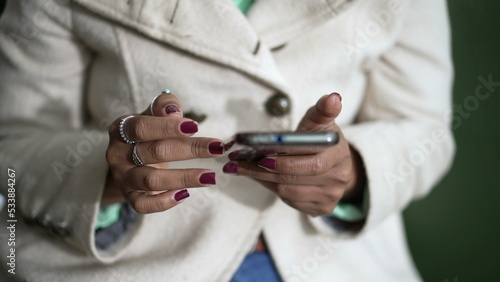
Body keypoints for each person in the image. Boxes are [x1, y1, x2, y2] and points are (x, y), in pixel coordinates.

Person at [0, 0, 455, 281]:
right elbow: (12, 153)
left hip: (332, 264)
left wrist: (351, 169)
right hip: (122, 264)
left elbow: (425, 129)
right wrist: (106, 174)